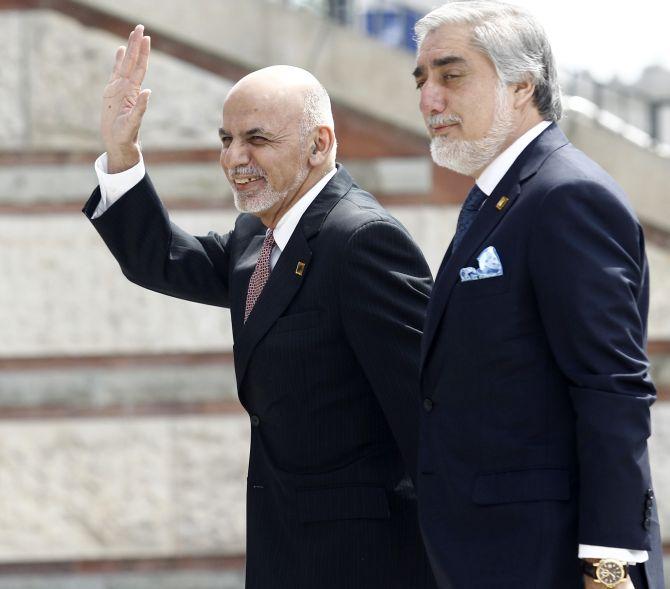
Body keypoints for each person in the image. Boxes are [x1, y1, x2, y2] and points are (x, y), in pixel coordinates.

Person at [83, 24, 436, 589]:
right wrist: (122, 153)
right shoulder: (258, 233)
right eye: (226, 139)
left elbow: (429, 416)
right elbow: (165, 260)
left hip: (367, 562)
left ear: (319, 144)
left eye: (257, 139)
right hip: (287, 554)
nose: (235, 159)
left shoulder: (362, 241)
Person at [412, 2, 664, 589]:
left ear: (522, 84)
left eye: (452, 75)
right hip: (490, 556)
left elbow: (613, 389)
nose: (429, 99)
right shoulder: (499, 199)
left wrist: (609, 568)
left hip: (552, 563)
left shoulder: (566, 196)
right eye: (422, 80)